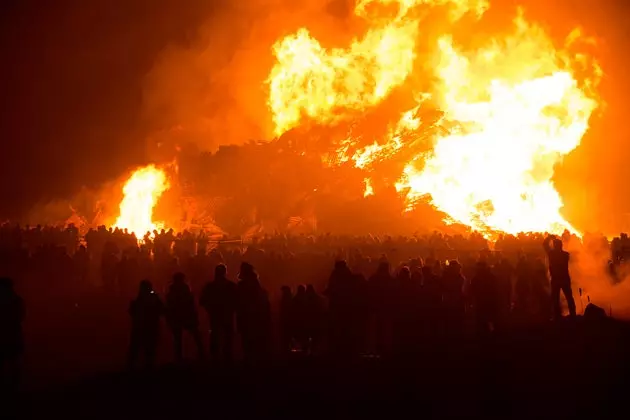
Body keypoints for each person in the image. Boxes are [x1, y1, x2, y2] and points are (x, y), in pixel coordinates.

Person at [199, 264, 238, 362]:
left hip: (216, 315)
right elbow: (237, 300)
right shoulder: (231, 286)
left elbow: (202, 301)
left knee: (216, 335)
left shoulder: (210, 286)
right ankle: (226, 356)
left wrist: (210, 309)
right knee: (226, 335)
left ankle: (216, 356)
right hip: (225, 314)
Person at [165, 272, 204, 362]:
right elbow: (191, 303)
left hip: (177, 316)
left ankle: (178, 357)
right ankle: (201, 352)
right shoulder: (185, 289)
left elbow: (169, 305)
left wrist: (169, 318)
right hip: (187, 315)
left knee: (178, 337)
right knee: (195, 335)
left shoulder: (171, 290)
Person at [128, 280, 164, 369]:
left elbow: (132, 311)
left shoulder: (139, 298)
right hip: (150, 327)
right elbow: (162, 310)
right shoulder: (153, 297)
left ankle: (132, 368)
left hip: (140, 327)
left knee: (136, 349)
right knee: (149, 349)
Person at [0, 278, 25, 392]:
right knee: (13, 360)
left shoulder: (16, 300)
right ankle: (14, 386)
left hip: (6, 334)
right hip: (13, 333)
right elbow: (21, 316)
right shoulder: (17, 299)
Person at [543, 235, 576, 319]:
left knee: (556, 298)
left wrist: (549, 237)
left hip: (556, 279)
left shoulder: (552, 254)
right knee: (569, 297)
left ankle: (557, 316)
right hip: (564, 278)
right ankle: (573, 315)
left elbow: (545, 245)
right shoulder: (565, 255)